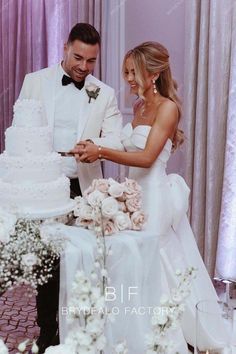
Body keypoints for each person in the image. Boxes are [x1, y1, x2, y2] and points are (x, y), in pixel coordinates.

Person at [58, 42, 222, 353]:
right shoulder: (138, 107)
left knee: (157, 263)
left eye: (135, 72)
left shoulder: (167, 108)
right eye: (126, 72)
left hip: (155, 197)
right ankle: (137, 334)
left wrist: (102, 152)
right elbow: (124, 143)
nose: (129, 78)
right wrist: (93, 146)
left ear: (155, 72)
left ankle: (164, 338)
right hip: (131, 197)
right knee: (136, 263)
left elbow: (147, 157)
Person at [18, 23, 123, 354]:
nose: (83, 67)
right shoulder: (34, 82)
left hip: (83, 189)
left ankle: (84, 329)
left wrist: (95, 144)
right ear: (65, 48)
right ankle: (48, 330)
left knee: (84, 261)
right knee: (48, 265)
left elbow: (117, 137)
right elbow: (19, 127)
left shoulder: (104, 93)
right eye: (78, 57)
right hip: (44, 188)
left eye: (91, 61)